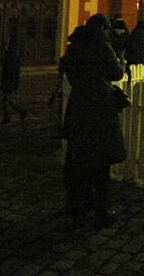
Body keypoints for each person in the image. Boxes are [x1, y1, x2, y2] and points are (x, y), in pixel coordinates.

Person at [60, 13, 126, 230]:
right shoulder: (101, 44)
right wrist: (121, 60)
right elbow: (116, 73)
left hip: (79, 104)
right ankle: (101, 210)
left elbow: (69, 73)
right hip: (100, 106)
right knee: (101, 160)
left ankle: (77, 206)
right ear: (104, 27)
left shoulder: (76, 44)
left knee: (78, 158)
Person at [0, 34, 27, 123]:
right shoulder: (13, 54)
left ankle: (7, 117)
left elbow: (10, 69)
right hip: (9, 79)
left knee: (6, 99)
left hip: (8, 80)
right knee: (7, 99)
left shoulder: (11, 55)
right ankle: (21, 111)